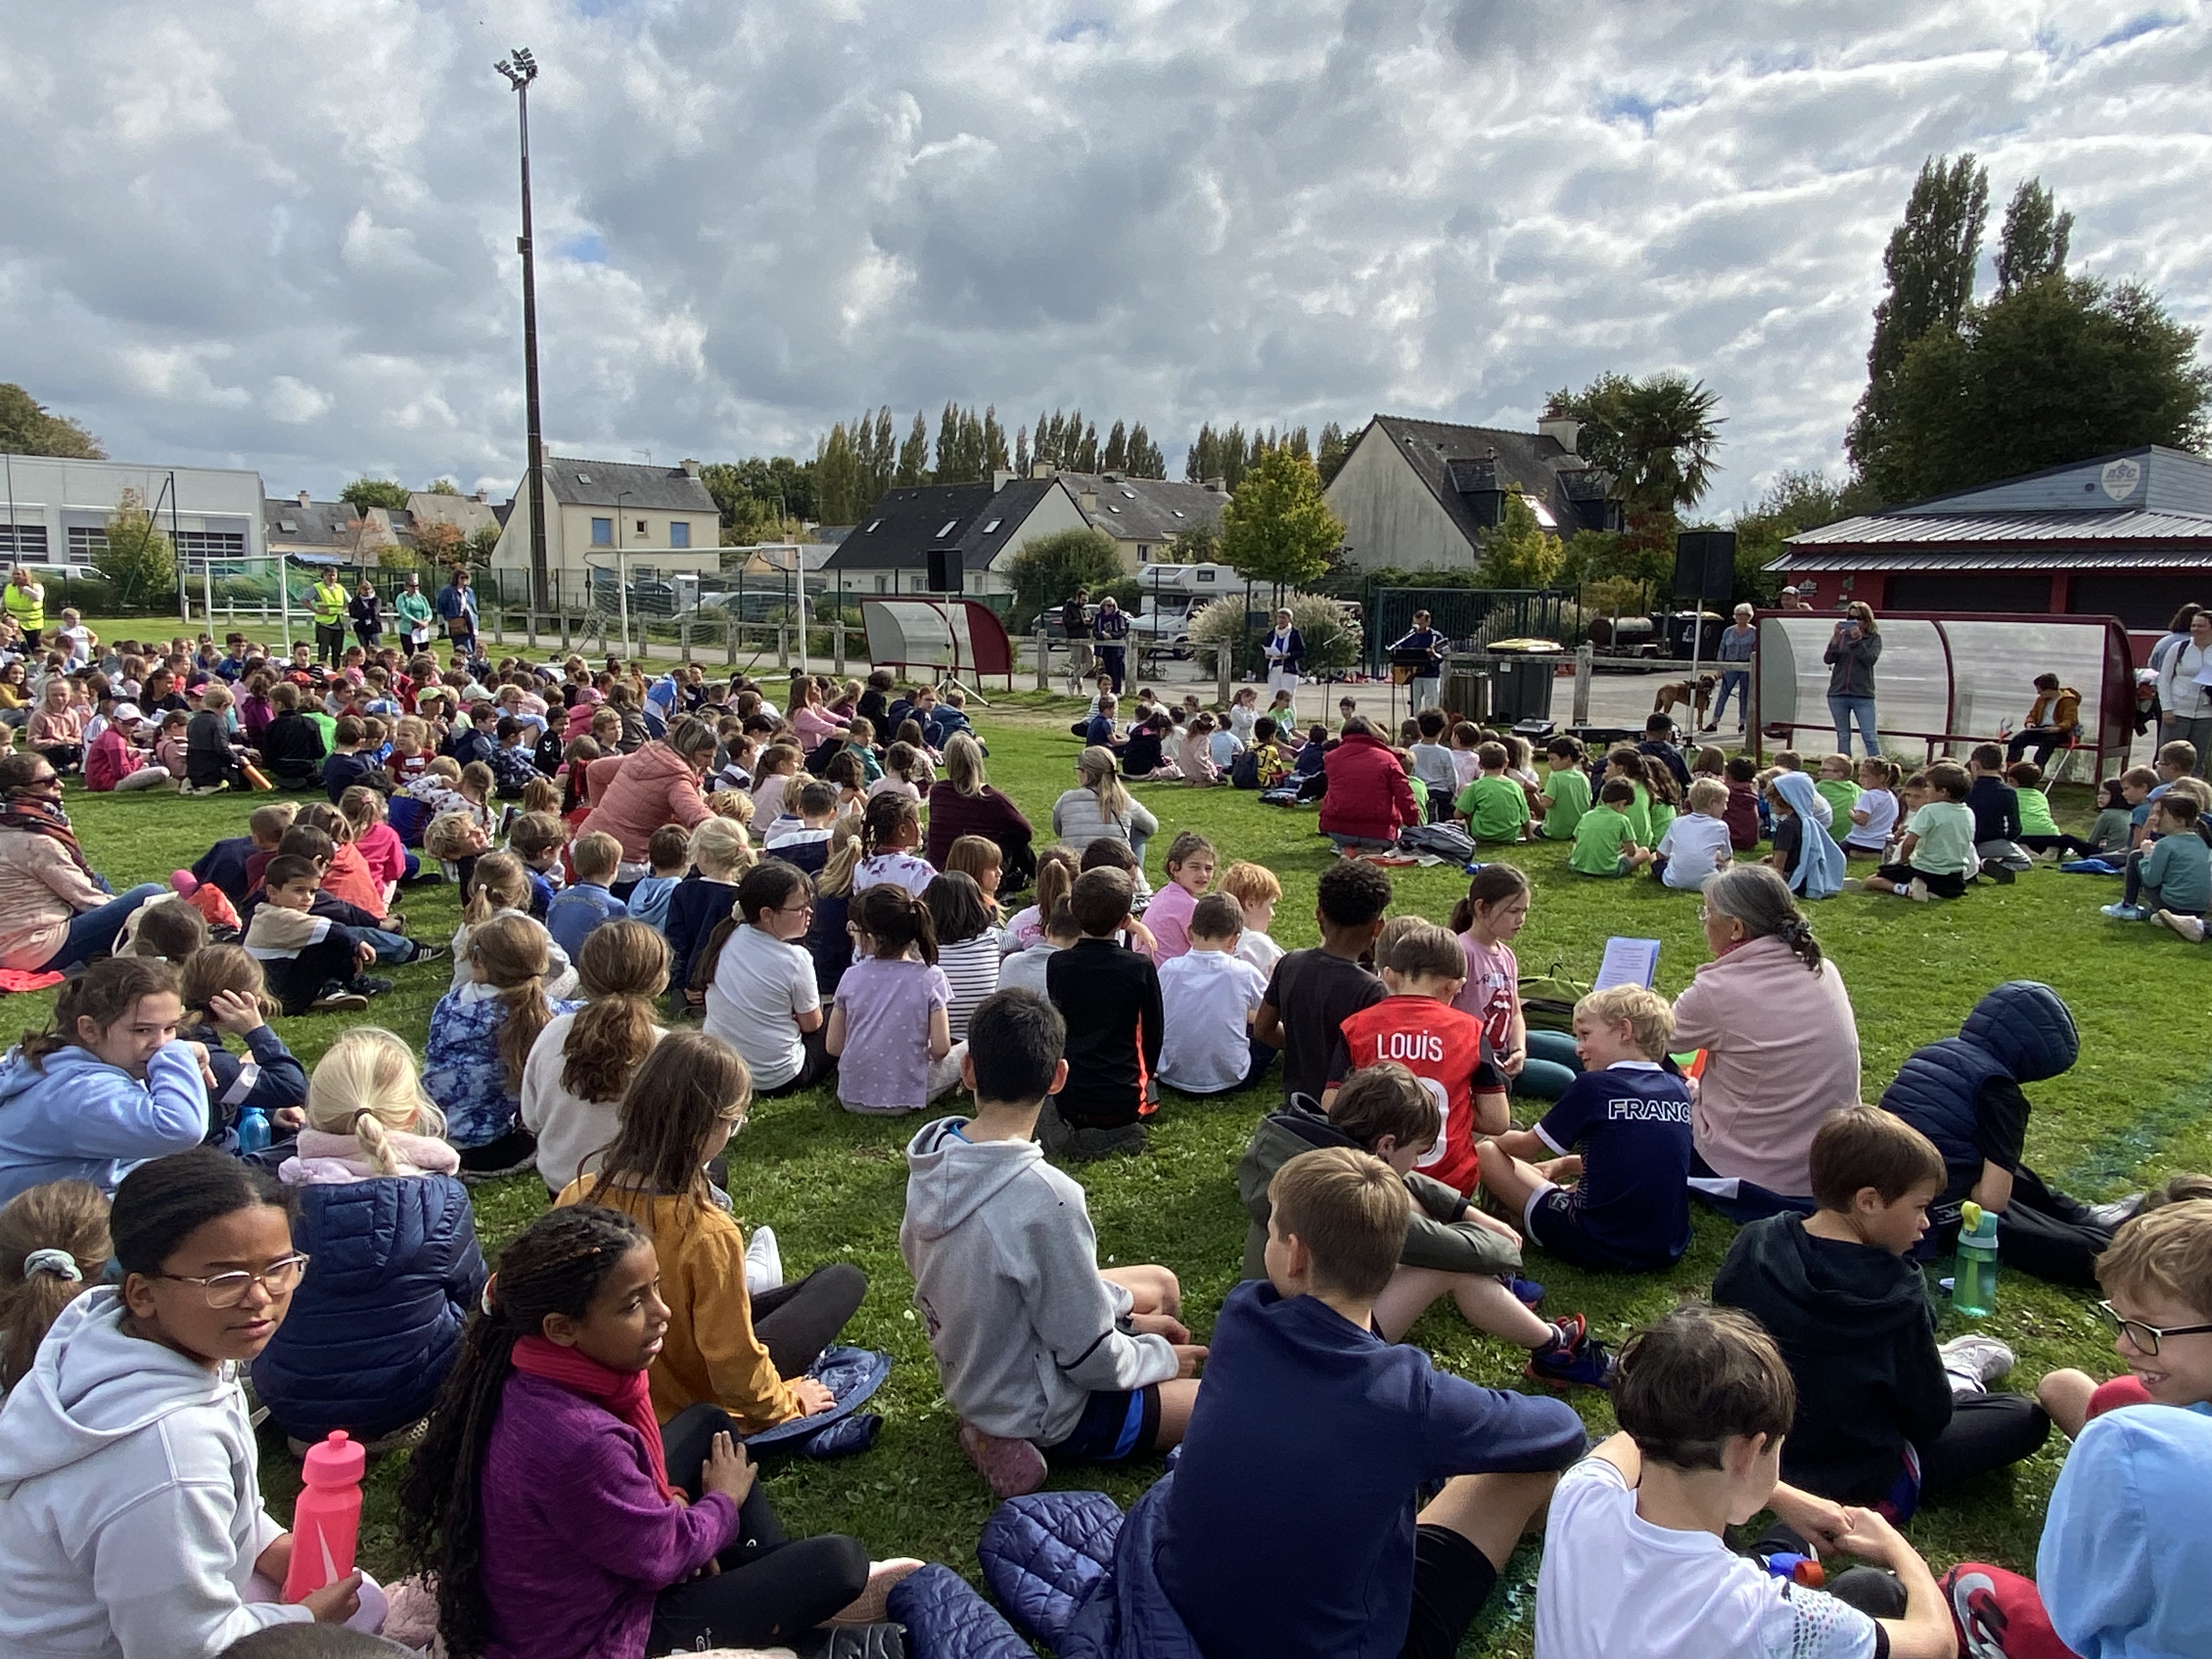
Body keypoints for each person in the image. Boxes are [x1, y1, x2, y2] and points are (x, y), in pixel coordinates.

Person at [392, 1205, 883, 1659]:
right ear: (562, 1328)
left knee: (710, 1423)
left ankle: (755, 1581)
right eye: (633, 1304)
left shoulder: (523, 1368)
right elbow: (663, 1555)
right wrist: (721, 1503)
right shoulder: (581, 1442)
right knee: (839, 1563)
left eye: (656, 1288)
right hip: (598, 1633)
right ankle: (776, 1610)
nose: (662, 1312)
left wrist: (685, 1521)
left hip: (578, 1580)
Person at [1158, 1144, 1586, 1659]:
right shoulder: (1407, 1396)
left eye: (1269, 1231)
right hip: (1335, 1646)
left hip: (1186, 1609)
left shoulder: (1242, 1317)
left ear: (1295, 1255)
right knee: (1532, 1472)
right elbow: (1561, 1431)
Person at [0, 1149, 371, 1654]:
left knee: (362, 1597)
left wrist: (266, 1544)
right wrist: (307, 1619)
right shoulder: (168, 1454)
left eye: (280, 1268)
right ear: (143, 1293)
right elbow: (188, 1648)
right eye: (225, 1279)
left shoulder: (111, 1335)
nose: (261, 1297)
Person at [903, 988, 1201, 1500]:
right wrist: (1160, 1359)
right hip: (1045, 1407)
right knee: (1216, 1402)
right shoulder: (1048, 1196)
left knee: (1161, 1285)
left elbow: (1033, 1294)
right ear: (1059, 1077)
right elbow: (1089, 1360)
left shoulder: (933, 1156)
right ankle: (1008, 1434)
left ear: (969, 1071)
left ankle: (989, 1422)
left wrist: (1127, 1321)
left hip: (977, 1364)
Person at [1536, 1302, 1958, 1659]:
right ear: (1749, 1452)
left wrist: (1780, 1496)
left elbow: (1634, 1439)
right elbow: (1938, 1644)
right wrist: (1899, 1549)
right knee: (1871, 1591)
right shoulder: (1766, 1614)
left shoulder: (1581, 1494)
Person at [1713, 1107, 2050, 1516]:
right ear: (1869, 1201)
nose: (1926, 1223)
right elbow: (1929, 1418)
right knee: (2023, 1416)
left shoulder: (1756, 1244)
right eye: (1919, 1207)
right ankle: (1956, 1372)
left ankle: (1949, 1367)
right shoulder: (1898, 1294)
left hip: (1752, 1456)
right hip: (1857, 1474)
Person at [557, 1031, 859, 1431]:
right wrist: (791, 1404)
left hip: (608, 1393)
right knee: (842, 1282)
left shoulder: (578, 1194)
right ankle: (745, 1290)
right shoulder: (705, 1234)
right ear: (705, 1130)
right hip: (684, 1406)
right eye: (733, 1124)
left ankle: (744, 1291)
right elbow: (732, 1365)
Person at [1240, 1062, 1607, 1386]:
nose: (1417, 1164)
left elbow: (1409, 1181)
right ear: (1386, 1145)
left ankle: (1532, 1325)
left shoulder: (1306, 1148)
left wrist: (1467, 1212)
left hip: (1279, 1324)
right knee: (1450, 1268)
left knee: (1412, 1202)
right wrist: (1500, 1247)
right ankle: (1558, 1350)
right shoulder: (1351, 1199)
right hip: (1311, 1353)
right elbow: (1451, 1250)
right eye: (1416, 1153)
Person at [251, 1029, 484, 1451]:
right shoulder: (442, 1198)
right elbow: (471, 1292)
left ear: (313, 1113)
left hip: (292, 1403)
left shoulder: (274, 1200)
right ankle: (402, 1424)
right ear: (412, 1115)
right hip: (409, 1398)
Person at [1878, 979, 2123, 1289]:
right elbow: (1991, 1201)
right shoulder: (2000, 1092)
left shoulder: (1934, 1053)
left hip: (1889, 1182)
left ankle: (2082, 1215)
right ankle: (2124, 1249)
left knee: (2002, 1167)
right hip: (1934, 1213)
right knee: (2087, 1252)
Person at [1673, 865, 1860, 1220]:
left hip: (1751, 1167)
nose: (1704, 923)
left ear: (1736, 928)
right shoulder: (1823, 969)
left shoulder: (1718, 990)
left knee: (1650, 1079)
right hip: (1827, 1165)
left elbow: (1654, 1037)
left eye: (1707, 913)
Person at [1476, 985, 1696, 1273]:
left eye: (1585, 1035)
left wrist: (1488, 1133)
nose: (1578, 1048)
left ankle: (1515, 1212)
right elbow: (1642, 1159)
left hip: (1594, 1242)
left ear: (1624, 1031)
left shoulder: (1594, 1087)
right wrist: (1564, 1164)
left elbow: (1526, 1147)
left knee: (1486, 1153)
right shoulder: (1678, 1090)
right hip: (1665, 1246)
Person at [0, 957, 207, 1206]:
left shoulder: (67, 1061)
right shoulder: (82, 1092)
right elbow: (182, 1129)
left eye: (170, 1029)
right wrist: (178, 1054)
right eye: (142, 1030)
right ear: (90, 1030)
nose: (161, 1044)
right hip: (28, 1225)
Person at [424, 912, 580, 1175]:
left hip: (435, 1132)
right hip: (491, 1148)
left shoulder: (449, 1004)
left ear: (478, 962)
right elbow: (592, 1014)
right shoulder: (545, 1013)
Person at [521, 922, 670, 1195]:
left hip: (563, 1185)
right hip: (637, 1193)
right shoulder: (668, 1050)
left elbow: (531, 1118)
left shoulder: (554, 1031)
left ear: (587, 974)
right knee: (716, 1171)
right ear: (660, 979)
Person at [1042, 867, 1163, 1155]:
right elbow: (1154, 1034)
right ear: (1126, 921)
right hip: (1125, 1098)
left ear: (1071, 910)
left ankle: (1075, 1133)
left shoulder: (1058, 965)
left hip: (1071, 1098)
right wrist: (1147, 1076)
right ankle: (1122, 1132)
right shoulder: (1140, 968)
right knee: (1148, 1090)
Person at [1255, 857, 1387, 1104]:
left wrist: (1303, 1048)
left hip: (1297, 1107)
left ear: (1319, 915)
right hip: (1346, 1112)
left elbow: (1263, 1029)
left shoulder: (1290, 964)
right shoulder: (1372, 990)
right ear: (1378, 927)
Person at [699, 860, 833, 1096]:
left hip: (722, 1067)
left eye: (810, 905)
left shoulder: (728, 936)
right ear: (767, 914)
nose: (810, 913)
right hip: (778, 1079)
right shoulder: (796, 959)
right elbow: (812, 1024)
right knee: (837, 1013)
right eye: (800, 908)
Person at [827, 883, 960, 1114]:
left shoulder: (851, 976)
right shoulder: (931, 977)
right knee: (966, 1048)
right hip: (906, 1097)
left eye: (854, 929)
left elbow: (834, 1046)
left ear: (870, 938)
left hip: (852, 1096)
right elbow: (941, 1048)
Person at [1155, 894, 1269, 1095]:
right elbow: (1273, 1009)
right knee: (1266, 1030)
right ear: (1235, 940)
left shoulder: (1169, 969)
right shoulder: (1244, 972)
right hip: (1232, 1079)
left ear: (1190, 932)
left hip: (1170, 1074)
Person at [922, 733, 1033, 888]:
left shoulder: (938, 792)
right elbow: (1026, 832)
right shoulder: (992, 799)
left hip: (939, 869)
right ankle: (1034, 876)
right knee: (1015, 838)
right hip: (977, 872)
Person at [1319, 714, 1418, 850]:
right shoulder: (1388, 759)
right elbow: (1405, 796)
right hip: (1380, 834)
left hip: (1339, 830)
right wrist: (1413, 824)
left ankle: (1349, 848)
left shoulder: (1332, 758)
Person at [1051, 744, 1158, 865]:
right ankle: (1135, 871)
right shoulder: (1123, 801)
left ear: (1085, 772)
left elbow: (1058, 830)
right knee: (1139, 830)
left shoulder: (1066, 799)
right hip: (1116, 870)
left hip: (1077, 869)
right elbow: (1152, 826)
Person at [546, 831, 629, 956]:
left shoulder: (559, 897)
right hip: (590, 965)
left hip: (556, 960)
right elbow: (621, 948)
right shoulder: (616, 907)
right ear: (613, 868)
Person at [2154, 605, 2212, 777]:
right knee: (2169, 757)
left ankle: (2194, 792)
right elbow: (2164, 680)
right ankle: (2163, 791)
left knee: (2197, 759)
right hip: (2177, 711)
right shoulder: (2179, 648)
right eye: (2194, 625)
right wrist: (2167, 709)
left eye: (2200, 626)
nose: (2195, 629)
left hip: (2206, 713)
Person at [1654, 776, 1736, 890]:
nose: (1726, 808)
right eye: (1724, 803)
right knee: (1730, 863)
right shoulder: (1721, 827)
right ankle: (1726, 881)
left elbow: (1661, 854)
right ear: (1711, 803)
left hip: (1674, 881)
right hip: (1709, 883)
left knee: (1653, 857)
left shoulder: (1677, 822)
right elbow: (1727, 857)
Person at [1822, 601, 1882, 758]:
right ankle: (1843, 767)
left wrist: (1857, 641)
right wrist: (1835, 639)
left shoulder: (1873, 638)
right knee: (1843, 735)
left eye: (1858, 618)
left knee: (1869, 736)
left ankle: (1878, 767)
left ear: (1867, 620)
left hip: (1863, 694)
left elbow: (1870, 660)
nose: (1854, 622)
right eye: (1850, 618)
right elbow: (1828, 659)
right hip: (1838, 693)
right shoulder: (1842, 637)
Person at [2006, 672, 2081, 768]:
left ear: (2049, 690)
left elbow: (2070, 721)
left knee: (2046, 746)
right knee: (2017, 740)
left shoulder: (2068, 701)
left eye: (2040, 691)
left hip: (2060, 732)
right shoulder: (2041, 699)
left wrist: (2058, 728)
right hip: (2041, 729)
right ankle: (2013, 767)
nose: (2038, 693)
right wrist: (2030, 723)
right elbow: (2032, 714)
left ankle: (2036, 769)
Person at [1706, 601, 1758, 733]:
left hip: (1746, 666)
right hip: (1730, 665)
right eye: (1737, 615)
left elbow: (1757, 650)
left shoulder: (1754, 632)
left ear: (1749, 616)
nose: (1739, 617)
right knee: (1723, 693)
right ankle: (1715, 722)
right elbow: (1722, 648)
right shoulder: (1728, 631)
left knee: (1744, 695)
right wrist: (1720, 666)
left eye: (1743, 614)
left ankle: (1743, 723)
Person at [1390, 608, 1446, 712]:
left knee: (1431, 704)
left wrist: (1433, 654)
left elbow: (1442, 656)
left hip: (1431, 675)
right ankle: (1415, 720)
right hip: (1414, 676)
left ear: (1428, 622)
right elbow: (1401, 650)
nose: (1418, 626)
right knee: (1415, 704)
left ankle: (1431, 720)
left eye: (1421, 623)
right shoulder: (1411, 636)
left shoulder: (1435, 637)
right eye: (1415, 623)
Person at [1260, 606, 1305, 719]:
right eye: (1279, 618)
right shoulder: (1271, 634)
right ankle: (1276, 721)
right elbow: (1266, 647)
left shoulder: (1294, 634)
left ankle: (1291, 723)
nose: (1281, 620)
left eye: (1284, 618)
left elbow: (1302, 651)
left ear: (1289, 619)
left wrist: (1288, 655)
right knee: (1275, 697)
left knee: (1288, 698)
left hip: (1288, 669)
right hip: (1274, 668)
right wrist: (1267, 654)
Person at [432, 566, 477, 658]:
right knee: (462, 648)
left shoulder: (469, 591)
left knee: (473, 648)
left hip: (470, 622)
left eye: (466, 577)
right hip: (457, 623)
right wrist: (442, 626)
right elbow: (441, 609)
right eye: (462, 577)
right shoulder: (447, 592)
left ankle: (471, 664)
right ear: (456, 578)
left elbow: (473, 607)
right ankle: (461, 664)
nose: (464, 580)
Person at [308, 571, 349, 668]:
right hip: (324, 624)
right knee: (323, 652)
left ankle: (336, 672)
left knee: (337, 652)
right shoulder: (317, 587)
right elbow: (304, 599)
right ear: (324, 576)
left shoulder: (340, 588)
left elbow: (350, 602)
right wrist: (315, 610)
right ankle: (322, 671)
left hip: (339, 624)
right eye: (329, 575)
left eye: (334, 575)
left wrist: (344, 610)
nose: (332, 578)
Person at [1092, 593, 1131, 693]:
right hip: (1104, 648)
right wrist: (1102, 635)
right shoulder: (1099, 617)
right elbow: (1095, 632)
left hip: (1116, 647)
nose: (1111, 608)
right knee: (1108, 669)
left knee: (1116, 669)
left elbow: (1123, 631)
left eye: (1113, 606)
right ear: (1104, 606)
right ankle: (1109, 690)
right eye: (1109, 606)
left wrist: (1112, 635)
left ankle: (1117, 690)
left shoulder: (1119, 617)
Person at [4, 565, 46, 650]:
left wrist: (26, 590)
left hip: (32, 625)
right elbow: (3, 602)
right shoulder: (9, 587)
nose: (15, 577)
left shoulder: (36, 587)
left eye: (18, 574)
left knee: (34, 648)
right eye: (14, 574)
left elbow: (39, 597)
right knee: (12, 646)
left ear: (26, 575)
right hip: (13, 624)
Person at [1059, 587, 1094, 686]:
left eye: (1086, 601)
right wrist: (1082, 622)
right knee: (1077, 664)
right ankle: (1079, 688)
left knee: (1091, 663)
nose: (1084, 603)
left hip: (1086, 639)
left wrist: (1091, 623)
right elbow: (1068, 623)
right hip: (1075, 639)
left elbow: (1089, 625)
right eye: (1083, 600)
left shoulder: (1087, 610)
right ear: (1078, 598)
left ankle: (1074, 679)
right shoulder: (1069, 608)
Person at [394, 571, 434, 653]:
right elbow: (404, 613)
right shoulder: (402, 598)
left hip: (422, 630)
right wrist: (418, 622)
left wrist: (426, 621)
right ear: (407, 586)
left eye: (417, 586)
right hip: (408, 630)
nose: (415, 588)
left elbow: (429, 611)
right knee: (409, 654)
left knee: (424, 653)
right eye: (412, 586)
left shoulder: (422, 598)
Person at [348, 581, 383, 654]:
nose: (367, 591)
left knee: (377, 649)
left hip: (374, 627)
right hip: (361, 628)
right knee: (364, 650)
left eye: (369, 589)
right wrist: (367, 613)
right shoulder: (355, 601)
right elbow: (354, 613)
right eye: (364, 589)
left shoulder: (377, 600)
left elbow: (375, 611)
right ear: (360, 590)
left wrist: (362, 612)